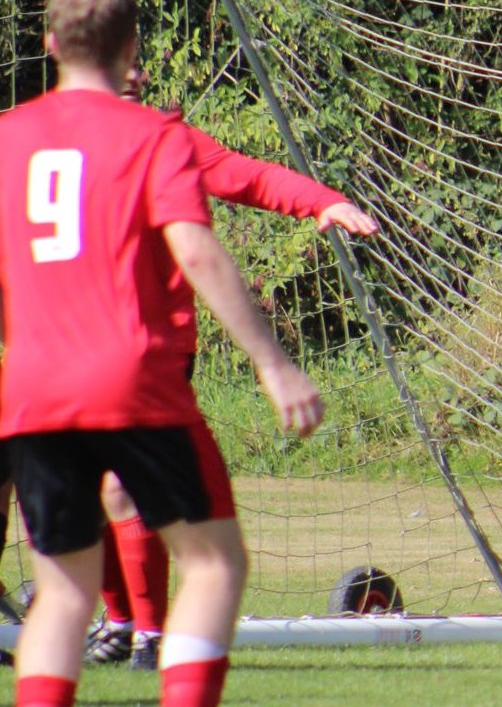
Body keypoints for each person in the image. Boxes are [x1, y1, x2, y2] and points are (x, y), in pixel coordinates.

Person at [0, 0, 324, 707]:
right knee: (212, 565)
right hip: (134, 380)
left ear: (50, 43)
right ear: (132, 45)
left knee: (60, 592)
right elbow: (198, 249)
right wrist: (274, 364)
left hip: (32, 390)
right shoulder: (154, 134)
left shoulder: (6, 139)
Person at [80, 66, 379, 671]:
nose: (136, 71)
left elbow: (246, 175)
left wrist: (321, 200)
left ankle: (152, 635)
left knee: (122, 486)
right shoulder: (39, 142)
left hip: (154, 350)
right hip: (70, 351)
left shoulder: (164, 139)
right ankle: (118, 622)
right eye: (122, 56)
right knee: (88, 493)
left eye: (140, 57)